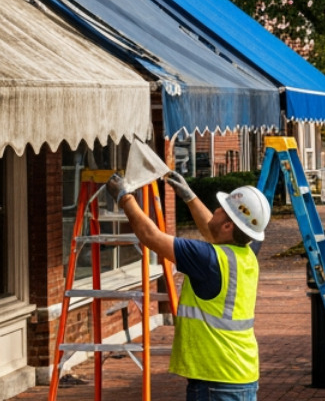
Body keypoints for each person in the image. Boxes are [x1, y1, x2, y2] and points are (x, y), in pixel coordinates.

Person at [110, 171, 271, 401]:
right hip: (241, 376)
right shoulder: (246, 256)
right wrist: (190, 197)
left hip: (216, 380)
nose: (214, 209)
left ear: (227, 226)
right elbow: (212, 230)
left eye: (220, 209)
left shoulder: (208, 258)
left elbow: (151, 236)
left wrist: (124, 197)